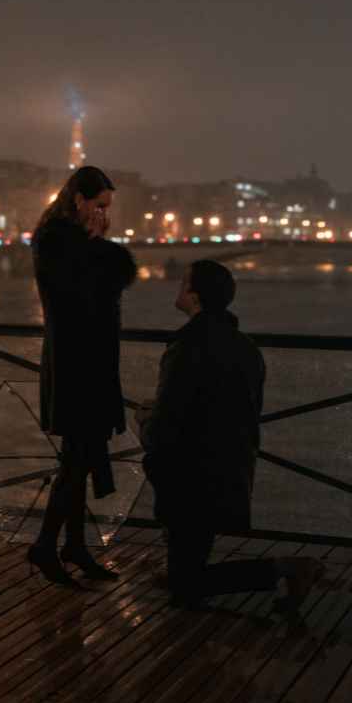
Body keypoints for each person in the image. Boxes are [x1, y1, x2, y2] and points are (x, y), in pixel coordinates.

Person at [136, 260, 323, 606]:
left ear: (193, 296)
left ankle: (289, 568)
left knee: (186, 585)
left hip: (191, 479)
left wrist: (144, 419)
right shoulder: (246, 347)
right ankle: (182, 567)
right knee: (187, 564)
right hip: (230, 471)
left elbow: (163, 434)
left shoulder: (186, 348)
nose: (178, 289)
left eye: (182, 284)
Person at [28, 165, 138, 586]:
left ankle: (73, 546)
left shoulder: (78, 242)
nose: (105, 215)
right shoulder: (55, 239)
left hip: (91, 362)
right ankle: (44, 547)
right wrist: (95, 246)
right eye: (100, 205)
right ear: (79, 200)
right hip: (74, 362)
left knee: (83, 456)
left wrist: (97, 246)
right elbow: (84, 291)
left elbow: (106, 285)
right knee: (75, 460)